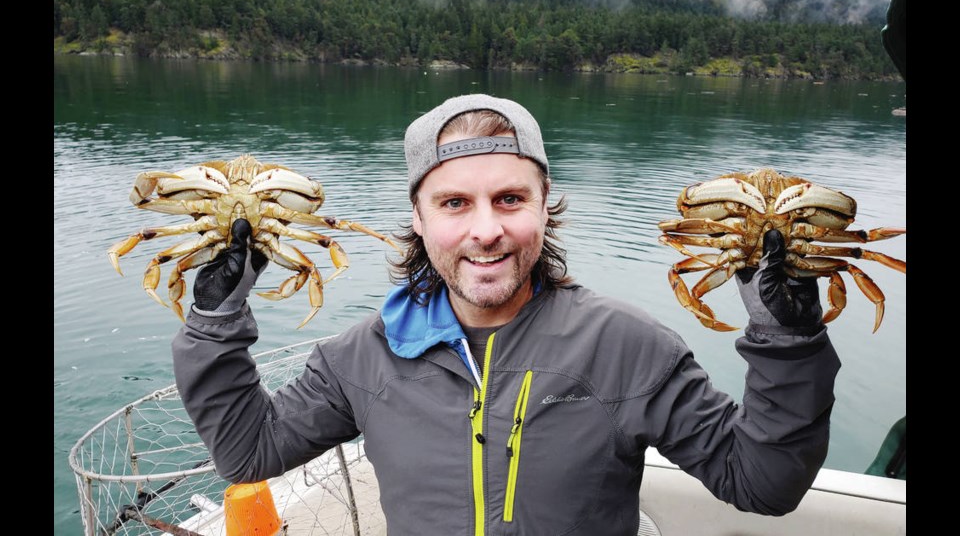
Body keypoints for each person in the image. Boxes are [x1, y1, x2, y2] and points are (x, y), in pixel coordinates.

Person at [172, 94, 840, 535]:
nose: (485, 230)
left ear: (545, 204)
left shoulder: (628, 348)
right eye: (455, 203)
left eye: (511, 199)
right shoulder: (359, 359)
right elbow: (246, 450)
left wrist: (790, 340)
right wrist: (213, 316)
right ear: (418, 216)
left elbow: (764, 481)